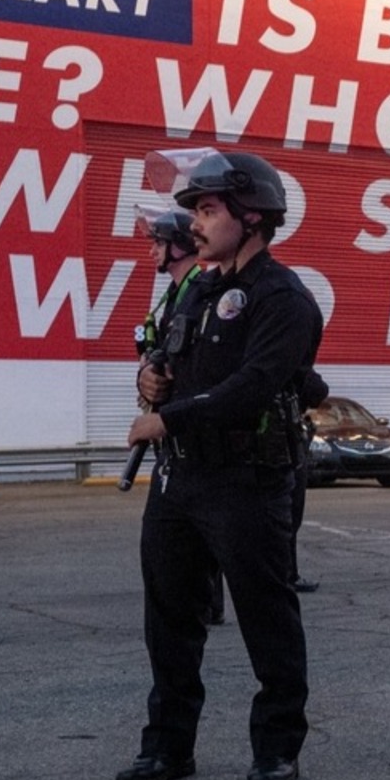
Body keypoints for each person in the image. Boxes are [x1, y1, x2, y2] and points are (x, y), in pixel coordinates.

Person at [117, 148, 323, 780]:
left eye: (207, 210)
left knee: (267, 619)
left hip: (246, 483)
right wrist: (149, 379)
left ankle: (277, 750)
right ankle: (167, 748)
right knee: (169, 624)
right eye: (196, 212)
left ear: (251, 216)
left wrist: (167, 419)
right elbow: (166, 359)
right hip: (179, 482)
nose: (196, 224)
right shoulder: (198, 290)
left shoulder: (283, 298)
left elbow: (252, 387)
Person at [136, 205, 227, 625]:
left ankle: (210, 602)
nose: (152, 250)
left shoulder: (200, 291)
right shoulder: (174, 295)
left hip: (195, 434)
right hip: (172, 432)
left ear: (179, 245)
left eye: (158, 242)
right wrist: (146, 376)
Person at [288, 368, 330, 593]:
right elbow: (318, 389)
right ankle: (288, 574)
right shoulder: (288, 361)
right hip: (283, 447)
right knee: (289, 516)